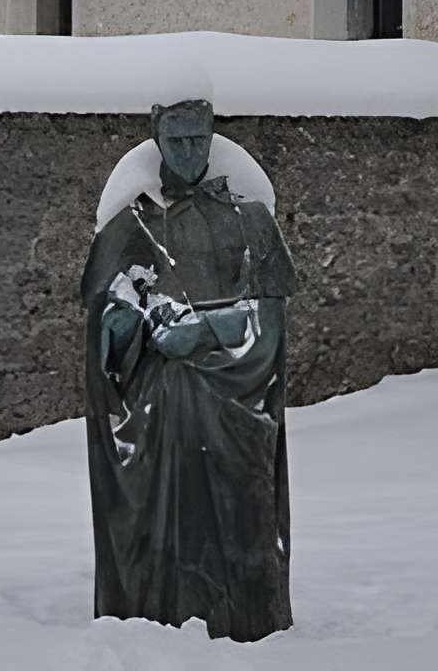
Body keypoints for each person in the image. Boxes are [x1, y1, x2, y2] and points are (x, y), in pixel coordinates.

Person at [79, 98, 296, 641]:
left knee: (241, 515)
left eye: (199, 139)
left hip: (237, 413)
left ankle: (245, 621)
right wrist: (137, 321)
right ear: (156, 139)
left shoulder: (252, 221)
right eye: (176, 141)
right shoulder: (133, 225)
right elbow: (106, 323)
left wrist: (201, 333)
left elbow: (270, 319)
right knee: (164, 523)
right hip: (161, 419)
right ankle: (158, 622)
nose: (190, 152)